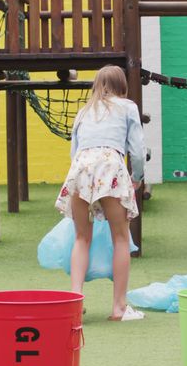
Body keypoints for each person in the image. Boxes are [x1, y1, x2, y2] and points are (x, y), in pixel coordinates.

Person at [56, 65, 145, 321]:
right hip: (110, 165)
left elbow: (74, 151)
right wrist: (136, 178)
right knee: (121, 237)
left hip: (80, 168)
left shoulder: (84, 111)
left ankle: (74, 300)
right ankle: (118, 307)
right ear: (122, 86)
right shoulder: (127, 107)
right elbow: (137, 150)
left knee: (82, 237)